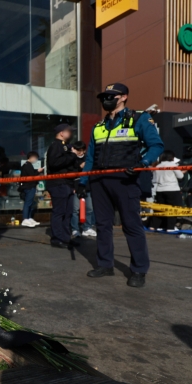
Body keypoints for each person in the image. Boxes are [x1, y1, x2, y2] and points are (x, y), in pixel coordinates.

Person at [78, 83, 164, 288]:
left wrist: (142, 163)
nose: (106, 99)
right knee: (103, 226)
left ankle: (139, 270)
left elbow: (156, 145)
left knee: (131, 226)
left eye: (111, 96)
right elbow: (90, 157)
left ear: (124, 97)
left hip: (126, 179)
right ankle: (105, 264)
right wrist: (83, 181)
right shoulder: (98, 127)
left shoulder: (138, 119)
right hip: (99, 181)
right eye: (104, 96)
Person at [46, 123, 83, 248]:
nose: (71, 134)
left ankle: (66, 237)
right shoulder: (56, 145)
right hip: (58, 183)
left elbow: (69, 166)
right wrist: (72, 156)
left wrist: (78, 165)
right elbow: (55, 163)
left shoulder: (67, 146)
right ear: (61, 133)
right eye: (69, 131)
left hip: (67, 183)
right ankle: (57, 238)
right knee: (60, 212)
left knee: (68, 212)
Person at [151, 150, 186, 232]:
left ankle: (155, 226)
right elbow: (180, 176)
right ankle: (170, 227)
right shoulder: (172, 165)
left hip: (160, 189)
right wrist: (183, 171)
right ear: (171, 157)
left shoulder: (157, 166)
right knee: (173, 208)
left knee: (160, 208)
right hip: (172, 189)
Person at [70, 141, 96, 238]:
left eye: (81, 150)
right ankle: (75, 229)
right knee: (75, 210)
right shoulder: (71, 158)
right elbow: (69, 172)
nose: (79, 152)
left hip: (87, 186)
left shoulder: (88, 159)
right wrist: (79, 167)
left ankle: (87, 228)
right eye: (77, 150)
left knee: (89, 209)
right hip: (76, 187)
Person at [20, 151, 44, 228]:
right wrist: (38, 171)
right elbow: (32, 176)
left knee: (30, 203)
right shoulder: (27, 165)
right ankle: (25, 219)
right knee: (28, 203)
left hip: (30, 186)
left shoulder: (28, 165)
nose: (36, 160)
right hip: (29, 186)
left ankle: (29, 218)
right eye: (36, 158)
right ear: (31, 157)